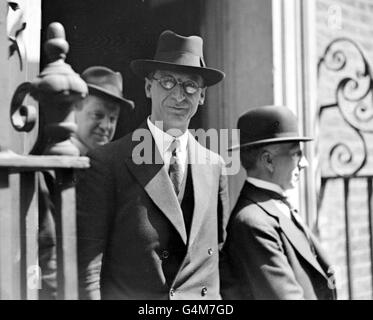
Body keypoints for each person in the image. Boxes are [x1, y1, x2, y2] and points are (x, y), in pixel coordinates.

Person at [77, 30, 230, 300]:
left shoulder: (214, 165)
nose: (180, 96)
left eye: (191, 86)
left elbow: (217, 256)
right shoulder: (107, 162)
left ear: (202, 96)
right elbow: (89, 268)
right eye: (168, 82)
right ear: (149, 87)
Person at [220, 105, 337, 300]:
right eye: (296, 154)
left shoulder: (274, 208)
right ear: (268, 161)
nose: (305, 163)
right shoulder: (253, 222)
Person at [38, 66, 133, 299]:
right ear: (74, 110)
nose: (106, 127)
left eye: (113, 118)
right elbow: (47, 254)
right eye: (97, 115)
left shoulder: (108, 171)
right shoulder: (52, 168)